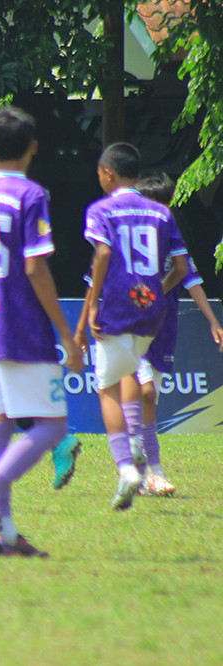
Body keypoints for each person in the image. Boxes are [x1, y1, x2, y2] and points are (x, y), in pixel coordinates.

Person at [0, 106, 84, 557]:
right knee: (53, 427)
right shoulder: (31, 193)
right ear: (34, 147)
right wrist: (66, 333)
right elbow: (35, 268)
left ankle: (3, 532)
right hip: (22, 324)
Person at [75, 172, 218, 499]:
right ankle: (144, 460)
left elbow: (190, 278)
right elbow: (92, 283)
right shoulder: (119, 243)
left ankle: (147, 472)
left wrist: (212, 320)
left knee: (148, 396)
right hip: (129, 321)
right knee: (145, 389)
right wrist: (84, 322)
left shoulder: (170, 242)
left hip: (160, 327)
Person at [80, 145, 188, 511]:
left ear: (107, 173)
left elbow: (103, 253)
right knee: (130, 368)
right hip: (153, 309)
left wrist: (95, 303)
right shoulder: (161, 212)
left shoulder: (101, 210)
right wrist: (158, 291)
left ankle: (126, 466)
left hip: (119, 304)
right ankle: (139, 444)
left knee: (106, 386)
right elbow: (182, 268)